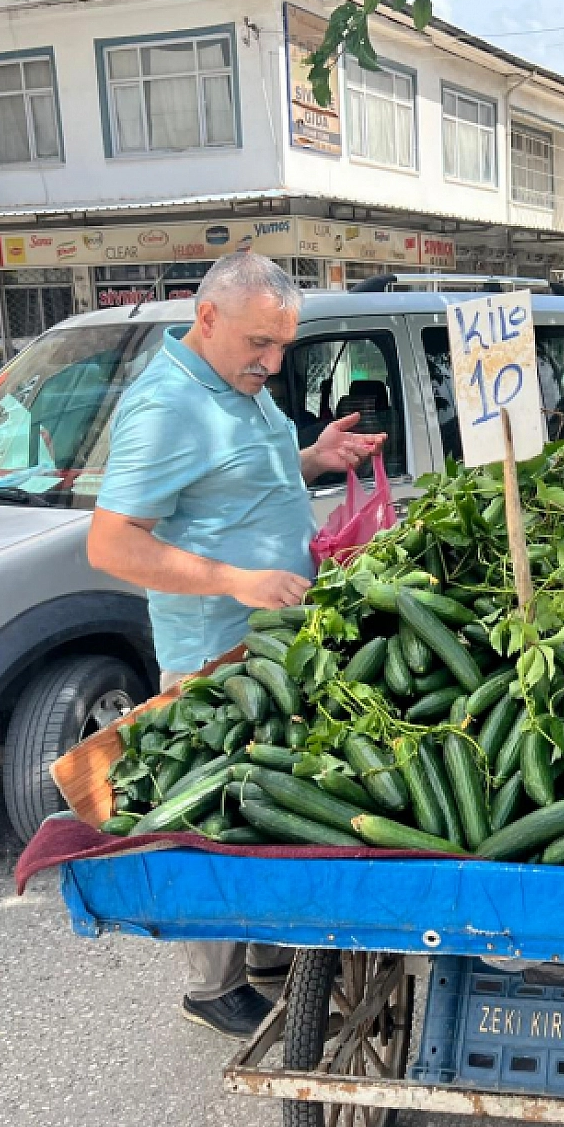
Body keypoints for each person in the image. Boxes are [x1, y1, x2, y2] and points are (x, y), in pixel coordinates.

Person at [87, 252, 384, 1037]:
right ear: (207, 317)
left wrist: (315, 457)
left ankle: (261, 954)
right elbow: (113, 544)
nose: (274, 362)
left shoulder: (238, 387)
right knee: (212, 816)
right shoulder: (167, 406)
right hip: (215, 658)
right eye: (260, 343)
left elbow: (235, 479)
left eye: (284, 345)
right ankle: (213, 986)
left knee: (260, 808)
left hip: (269, 650)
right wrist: (234, 580)